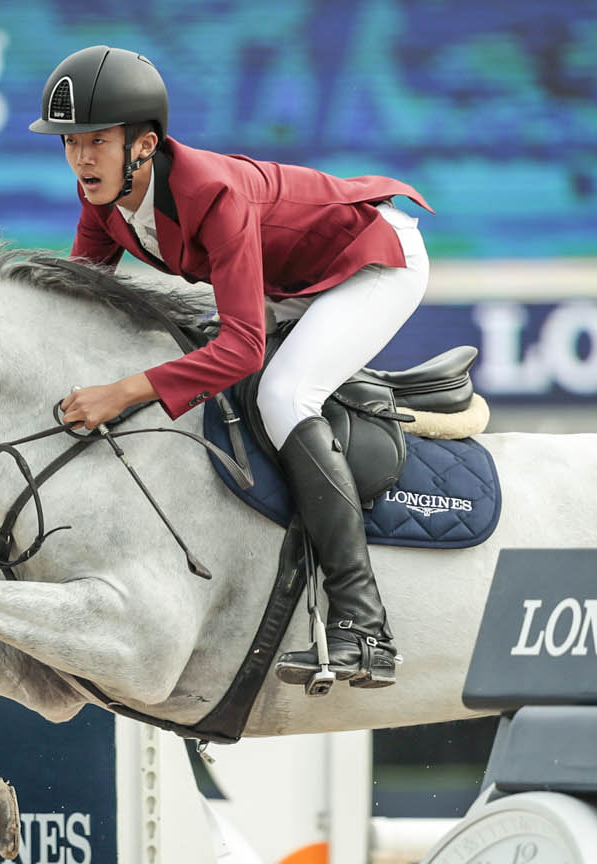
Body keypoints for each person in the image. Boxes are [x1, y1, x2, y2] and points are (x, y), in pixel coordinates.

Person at [32, 45, 432, 690]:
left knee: (283, 395)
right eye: (71, 142)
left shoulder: (213, 193)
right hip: (290, 278)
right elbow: (76, 307)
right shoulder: (101, 198)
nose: (80, 158)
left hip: (373, 260)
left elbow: (243, 346)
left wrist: (124, 392)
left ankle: (365, 627)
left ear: (144, 145)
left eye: (97, 141)